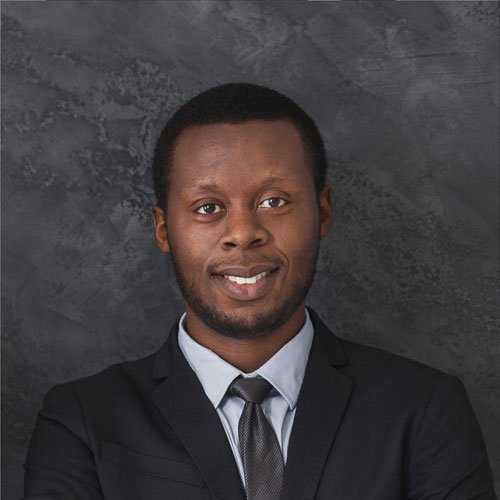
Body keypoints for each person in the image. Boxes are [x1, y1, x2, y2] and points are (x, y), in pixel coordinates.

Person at [23, 83, 496, 500]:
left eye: (274, 201)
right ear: (164, 229)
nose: (243, 233)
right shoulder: (83, 421)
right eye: (208, 208)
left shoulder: (422, 409)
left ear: (323, 212)